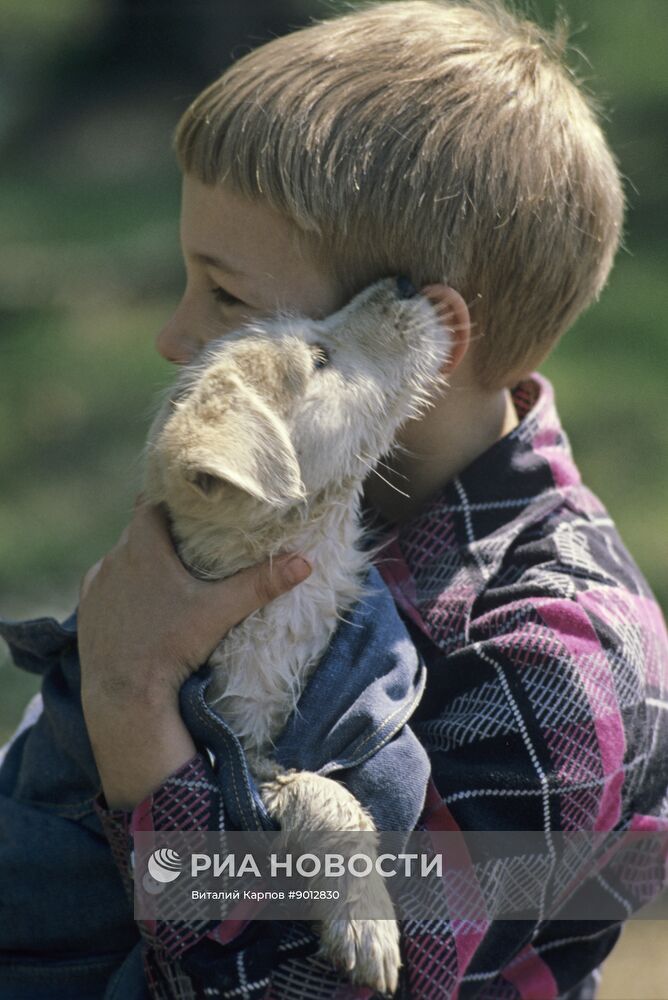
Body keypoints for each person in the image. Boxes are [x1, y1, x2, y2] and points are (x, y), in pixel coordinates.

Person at [2, 1, 667, 997]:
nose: (176, 336)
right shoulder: (285, 511)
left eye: (225, 298)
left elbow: (324, 985)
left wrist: (130, 707)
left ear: (421, 335)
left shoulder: (561, 658)